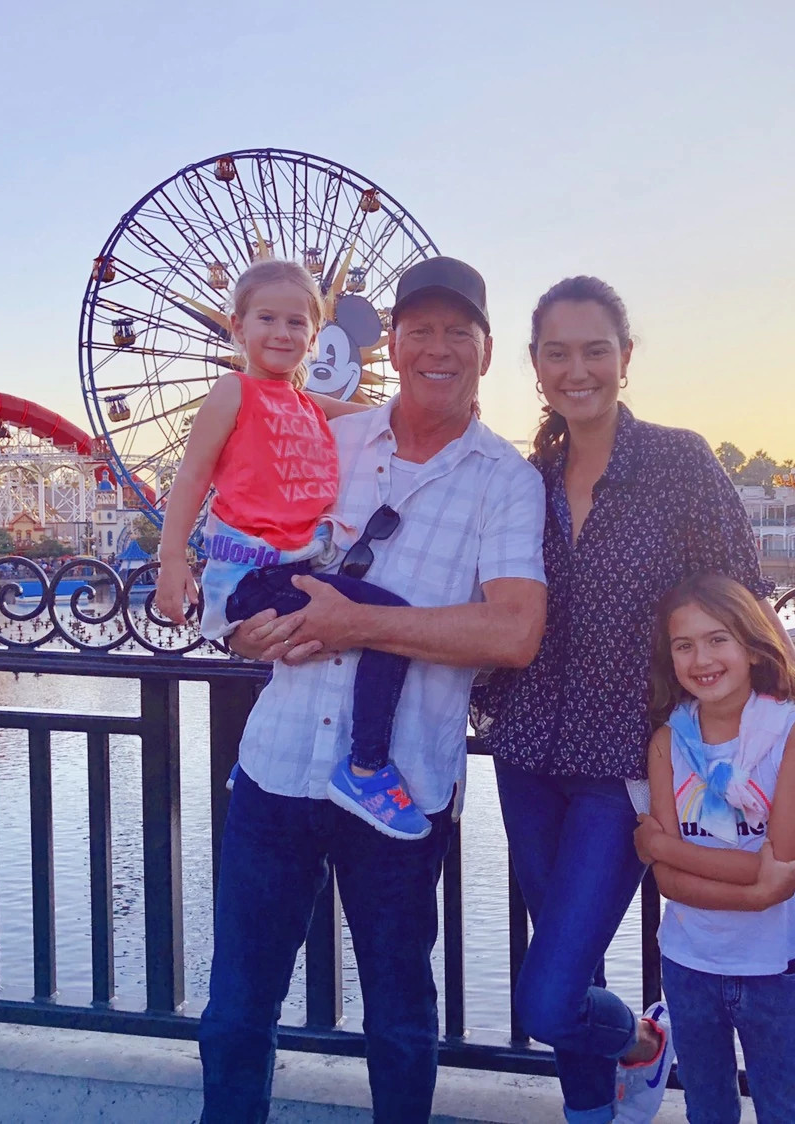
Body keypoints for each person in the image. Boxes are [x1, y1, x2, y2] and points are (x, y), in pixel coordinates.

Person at [473, 276, 795, 1124]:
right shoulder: (526, 479)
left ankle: (643, 1044)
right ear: (535, 367)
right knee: (573, 973)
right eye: (558, 353)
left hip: (627, 764)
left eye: (595, 350)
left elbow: (746, 605)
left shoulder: (679, 463)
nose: (578, 370)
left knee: (549, 993)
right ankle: (594, 1109)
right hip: (527, 752)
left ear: (625, 358)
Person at [198, 255, 547, 1124]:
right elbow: (234, 535)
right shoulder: (325, 436)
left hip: (400, 786)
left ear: (487, 350)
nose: (437, 348)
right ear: (391, 342)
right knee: (237, 1008)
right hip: (277, 769)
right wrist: (233, 628)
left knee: (399, 1017)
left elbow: (513, 632)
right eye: (419, 330)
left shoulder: (507, 482)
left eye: (456, 332)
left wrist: (363, 626)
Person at [152, 259, 429, 839]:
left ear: (315, 334)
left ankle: (260, 767)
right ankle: (367, 766)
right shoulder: (233, 392)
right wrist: (172, 560)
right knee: (390, 624)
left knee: (355, 634)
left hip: (291, 568)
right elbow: (192, 477)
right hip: (255, 575)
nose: (282, 333)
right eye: (267, 318)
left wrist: (422, 418)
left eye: (297, 322)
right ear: (237, 326)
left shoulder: (304, 404)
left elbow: (369, 415)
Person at [634, 573, 795, 1123]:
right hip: (688, 963)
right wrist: (754, 881)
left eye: (718, 639)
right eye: (684, 644)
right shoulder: (667, 741)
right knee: (707, 1111)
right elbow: (671, 885)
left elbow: (782, 871)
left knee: (785, 1111)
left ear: (750, 644)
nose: (703, 658)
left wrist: (660, 846)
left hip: (773, 969)